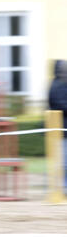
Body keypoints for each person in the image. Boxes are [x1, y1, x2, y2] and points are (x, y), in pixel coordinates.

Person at [48, 60, 67, 191]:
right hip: (60, 128)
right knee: (63, 162)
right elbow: (60, 105)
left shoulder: (62, 84)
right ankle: (62, 187)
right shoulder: (55, 86)